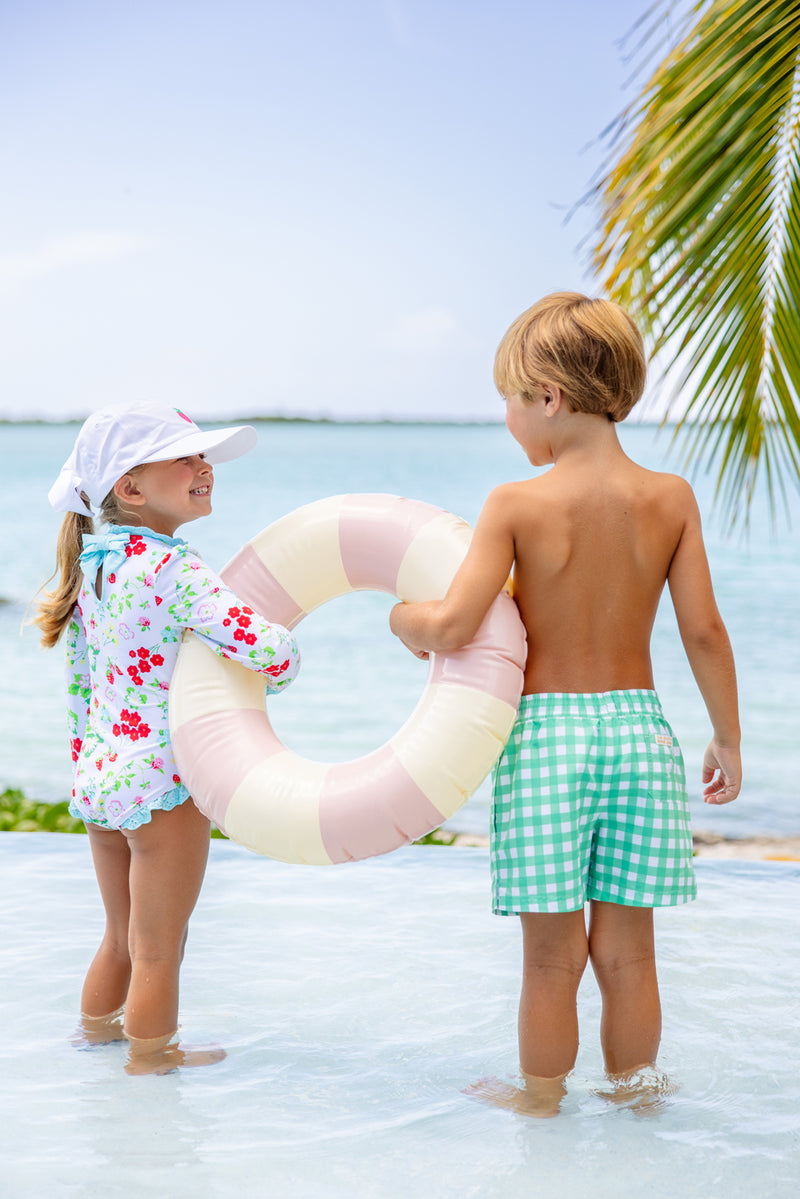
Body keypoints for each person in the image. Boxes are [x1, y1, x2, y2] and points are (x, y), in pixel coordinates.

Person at [390, 293, 741, 1114]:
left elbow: (451, 623)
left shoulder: (517, 503)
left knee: (550, 958)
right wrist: (725, 734)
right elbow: (706, 631)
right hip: (640, 736)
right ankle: (634, 1099)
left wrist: (401, 617)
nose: (510, 420)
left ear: (548, 396)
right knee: (631, 953)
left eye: (510, 401)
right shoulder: (671, 497)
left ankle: (540, 1101)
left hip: (548, 738)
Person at [37, 401, 300, 1075]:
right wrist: (288, 654)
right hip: (162, 786)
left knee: (121, 941)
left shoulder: (93, 567)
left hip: (101, 781)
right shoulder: (174, 570)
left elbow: (84, 688)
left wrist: (89, 770)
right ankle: (154, 1063)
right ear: (130, 488)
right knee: (160, 947)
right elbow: (269, 652)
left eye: (202, 454)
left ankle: (95, 1042)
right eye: (184, 457)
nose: (204, 466)